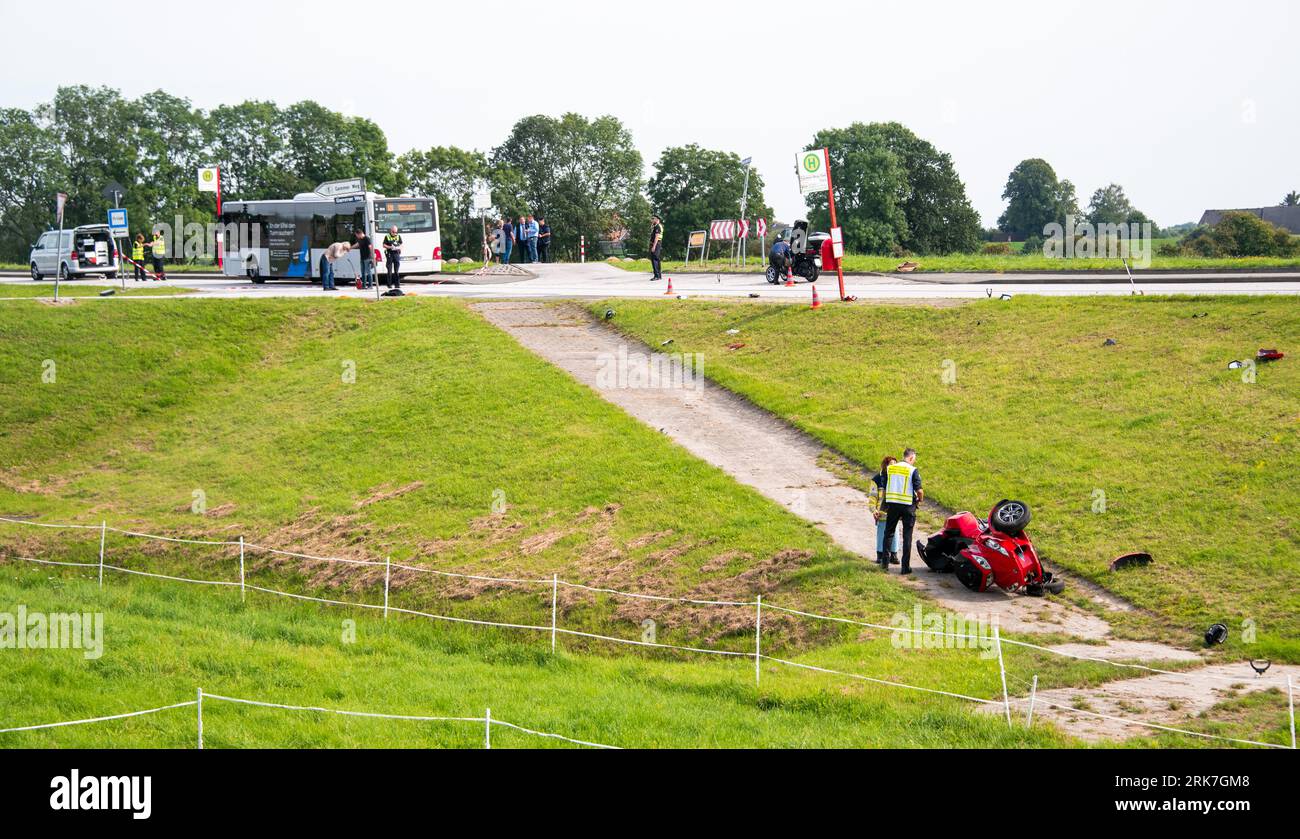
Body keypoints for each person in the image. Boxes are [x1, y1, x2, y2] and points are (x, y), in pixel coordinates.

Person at [881, 448, 923, 574]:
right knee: (907, 536)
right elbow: (919, 490)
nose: (913, 462)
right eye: (913, 460)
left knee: (888, 533)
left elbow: (884, 488)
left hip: (892, 505)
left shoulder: (891, 468)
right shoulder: (912, 470)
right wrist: (920, 500)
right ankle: (905, 567)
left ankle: (884, 564)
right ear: (910, 458)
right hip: (907, 506)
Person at [871, 455, 901, 565]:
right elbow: (872, 496)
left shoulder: (898, 479)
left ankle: (894, 554)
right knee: (881, 533)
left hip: (894, 511)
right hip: (881, 513)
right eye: (890, 465)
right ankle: (880, 554)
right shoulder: (877, 479)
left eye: (895, 464)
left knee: (895, 533)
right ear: (885, 466)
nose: (893, 467)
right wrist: (873, 510)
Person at [648, 214, 664, 280]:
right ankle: (659, 275)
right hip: (657, 244)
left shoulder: (657, 226)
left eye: (653, 218)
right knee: (657, 259)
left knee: (654, 259)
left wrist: (654, 246)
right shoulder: (656, 226)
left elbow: (657, 237)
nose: (652, 220)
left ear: (657, 219)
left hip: (656, 244)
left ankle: (656, 276)